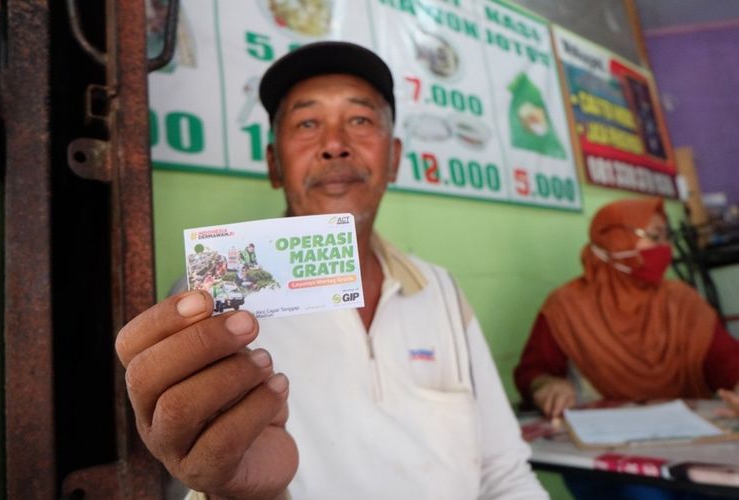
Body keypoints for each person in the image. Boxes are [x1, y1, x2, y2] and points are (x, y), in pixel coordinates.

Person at [115, 41, 547, 500]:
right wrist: (230, 488)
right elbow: (194, 478)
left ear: (395, 158)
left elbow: (506, 475)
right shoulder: (215, 302)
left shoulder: (440, 290)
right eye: (307, 124)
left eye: (360, 120)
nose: (335, 146)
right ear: (273, 165)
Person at [513, 197, 739, 499]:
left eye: (666, 237)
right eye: (654, 237)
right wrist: (546, 384)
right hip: (608, 454)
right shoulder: (567, 306)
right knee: (641, 494)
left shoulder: (683, 301)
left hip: (691, 446)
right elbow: (533, 371)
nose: (665, 248)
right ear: (616, 240)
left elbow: (726, 362)